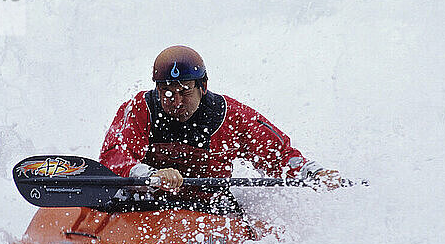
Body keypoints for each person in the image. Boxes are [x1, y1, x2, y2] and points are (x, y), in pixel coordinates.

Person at [100, 45, 341, 213]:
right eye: (167, 92)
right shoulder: (140, 108)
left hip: (209, 207)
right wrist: (151, 174)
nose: (176, 102)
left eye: (185, 91)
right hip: (146, 200)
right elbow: (114, 156)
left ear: (202, 87)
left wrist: (314, 173)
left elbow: (279, 155)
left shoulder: (232, 116)